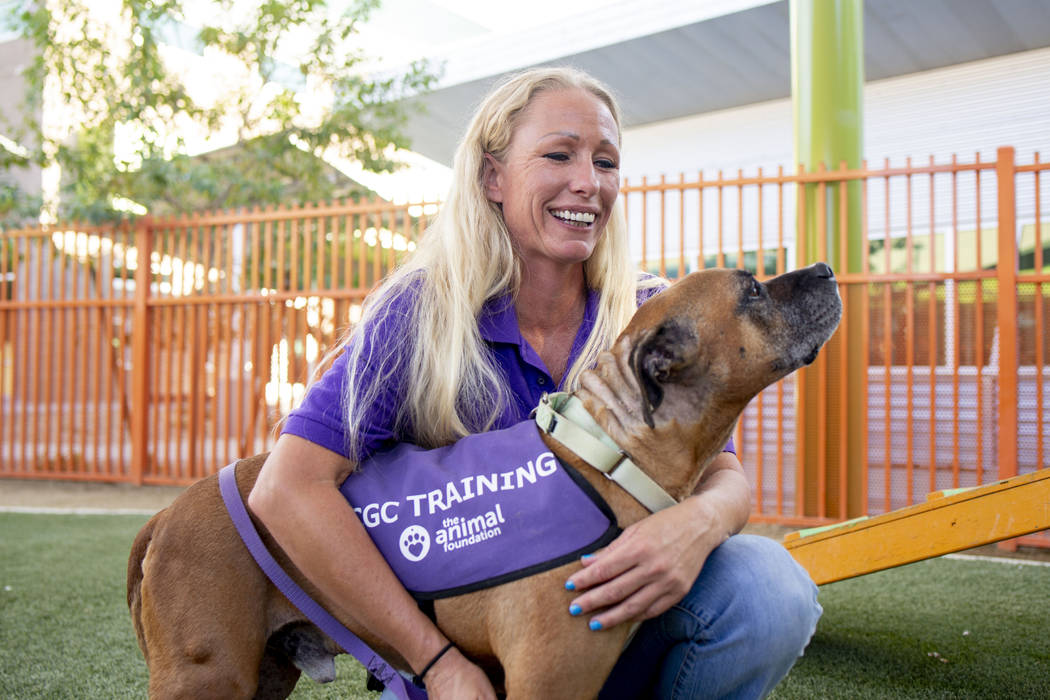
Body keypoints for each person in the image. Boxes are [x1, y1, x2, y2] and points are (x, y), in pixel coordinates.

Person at [248, 66, 821, 699]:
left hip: (614, 634)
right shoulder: (420, 314)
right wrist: (434, 661)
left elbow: (724, 474)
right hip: (463, 677)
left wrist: (698, 526)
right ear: (493, 177)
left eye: (606, 162)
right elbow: (286, 487)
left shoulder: (644, 314)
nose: (588, 183)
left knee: (769, 587)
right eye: (558, 155)